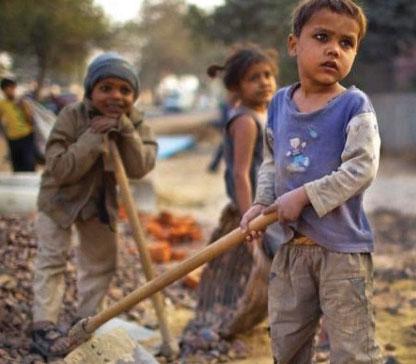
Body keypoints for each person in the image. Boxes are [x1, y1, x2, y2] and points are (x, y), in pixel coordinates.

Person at [240, 0, 382, 362]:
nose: (334, 49)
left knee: (353, 349)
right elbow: (272, 162)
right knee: (287, 342)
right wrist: (261, 201)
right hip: (291, 249)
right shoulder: (279, 105)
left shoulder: (354, 106)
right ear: (294, 45)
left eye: (347, 43)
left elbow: (361, 168)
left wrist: (305, 195)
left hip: (342, 252)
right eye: (322, 37)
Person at [30, 53, 157, 358]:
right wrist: (92, 136)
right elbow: (59, 168)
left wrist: (125, 130)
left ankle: (86, 322)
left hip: (99, 203)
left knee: (102, 262)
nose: (116, 96)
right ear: (91, 91)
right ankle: (43, 326)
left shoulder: (135, 121)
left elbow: (141, 167)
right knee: (52, 259)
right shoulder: (71, 116)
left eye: (125, 91)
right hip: (59, 200)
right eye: (106, 88)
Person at [182, 45, 280, 356]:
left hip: (271, 206)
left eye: (268, 75)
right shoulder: (245, 121)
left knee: (271, 265)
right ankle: (227, 319)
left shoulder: (268, 113)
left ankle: (266, 315)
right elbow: (239, 172)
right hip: (253, 207)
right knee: (258, 263)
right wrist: (250, 216)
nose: (264, 82)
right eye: (254, 78)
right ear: (237, 87)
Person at [0, 77, 37, 171]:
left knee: (28, 164)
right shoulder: (2, 104)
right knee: (17, 165)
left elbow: (31, 121)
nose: (10, 91)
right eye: (7, 89)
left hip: (26, 136)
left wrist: (25, 109)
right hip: (12, 139)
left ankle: (30, 184)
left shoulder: (23, 102)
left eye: (12, 88)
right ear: (3, 91)